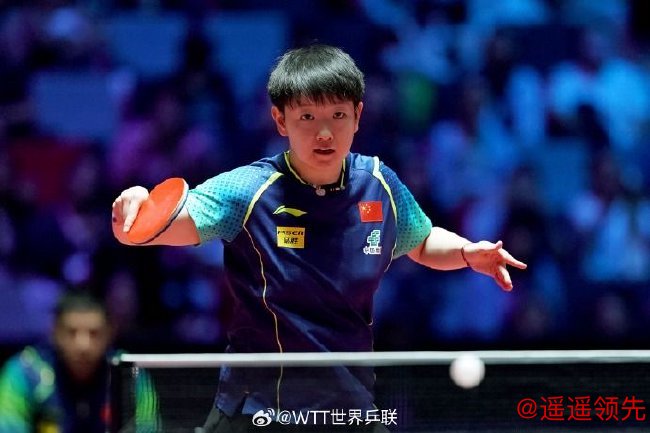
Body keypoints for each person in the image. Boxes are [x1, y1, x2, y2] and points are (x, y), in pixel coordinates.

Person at [111, 44, 527, 432]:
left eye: (338, 115)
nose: (324, 133)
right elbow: (164, 225)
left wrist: (467, 252)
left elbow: (420, 241)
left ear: (358, 116)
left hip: (348, 407)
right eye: (307, 117)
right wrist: (131, 213)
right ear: (281, 120)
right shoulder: (248, 190)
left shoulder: (379, 184)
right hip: (259, 409)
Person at [0, 291, 161, 433]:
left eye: (94, 333)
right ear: (55, 332)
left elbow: (147, 428)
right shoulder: (24, 372)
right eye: (72, 332)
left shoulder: (129, 374)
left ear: (110, 333)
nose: (83, 346)